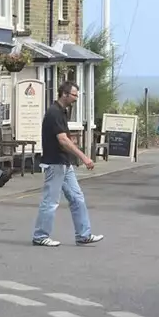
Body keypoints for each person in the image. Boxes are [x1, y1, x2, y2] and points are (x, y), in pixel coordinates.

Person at [33, 81, 105, 247]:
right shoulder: (54, 113)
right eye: (74, 95)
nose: (76, 98)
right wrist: (84, 157)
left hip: (65, 163)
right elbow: (63, 140)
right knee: (50, 201)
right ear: (64, 94)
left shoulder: (62, 112)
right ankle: (40, 236)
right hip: (55, 163)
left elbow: (65, 137)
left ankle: (83, 235)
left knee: (77, 198)